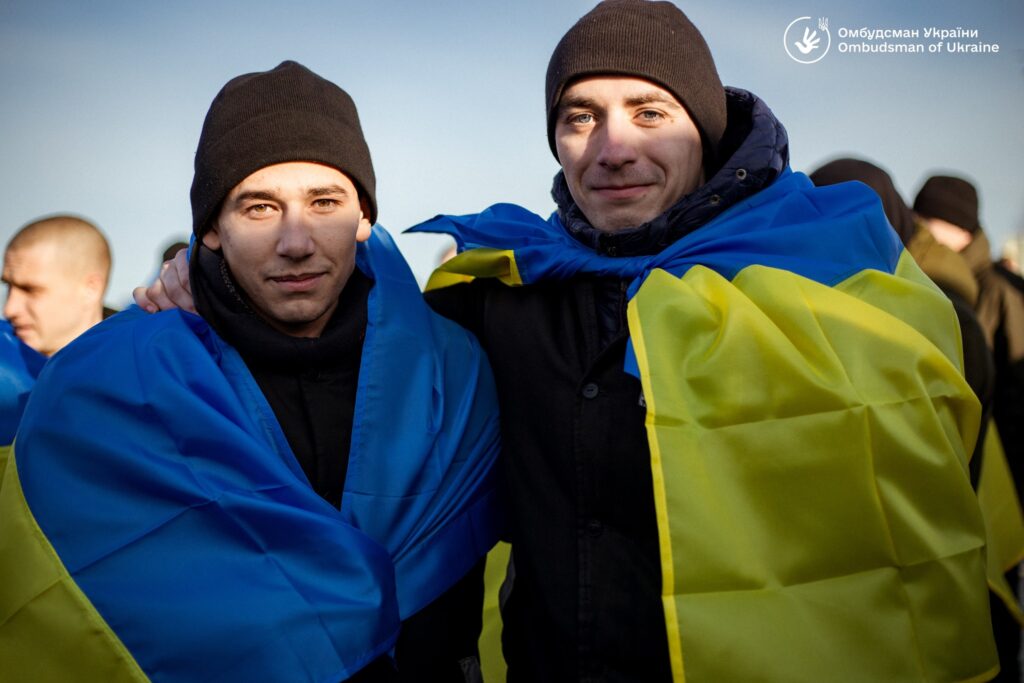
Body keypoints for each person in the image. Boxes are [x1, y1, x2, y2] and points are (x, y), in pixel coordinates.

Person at [138, 3, 997, 680]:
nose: (612, 147)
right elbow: (343, 337)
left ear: (704, 124)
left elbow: (941, 484)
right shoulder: (507, 293)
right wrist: (197, 286)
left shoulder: (839, 276)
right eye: (580, 117)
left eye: (648, 111)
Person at [0, 61, 500, 683]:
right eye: (260, 207)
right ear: (210, 227)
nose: (296, 240)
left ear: (364, 216)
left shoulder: (459, 370)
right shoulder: (119, 385)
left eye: (325, 202)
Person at [2, 214, 111, 356]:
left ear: (91, 289)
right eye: (8, 287)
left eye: (30, 290)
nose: (9, 310)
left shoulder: (136, 370)